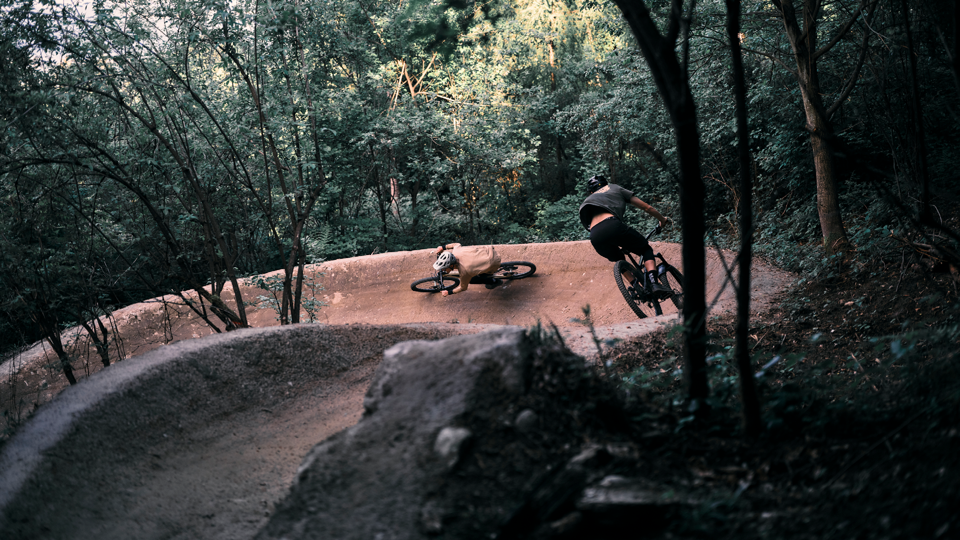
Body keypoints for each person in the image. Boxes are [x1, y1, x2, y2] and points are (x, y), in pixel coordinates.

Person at [578, 175, 672, 298]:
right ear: (606, 184)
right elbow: (646, 207)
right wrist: (662, 219)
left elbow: (589, 225)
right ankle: (654, 284)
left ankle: (637, 287)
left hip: (595, 236)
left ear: (591, 192)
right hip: (612, 225)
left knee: (619, 259)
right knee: (645, 249)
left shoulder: (587, 201)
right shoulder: (614, 188)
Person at [432, 243, 502, 297]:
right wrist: (443, 247)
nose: (443, 269)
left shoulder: (465, 272)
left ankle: (494, 281)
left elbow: (463, 288)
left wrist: (449, 292)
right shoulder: (456, 251)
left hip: (494, 263)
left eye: (444, 268)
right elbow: (457, 244)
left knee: (471, 280)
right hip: (489, 250)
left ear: (451, 265)